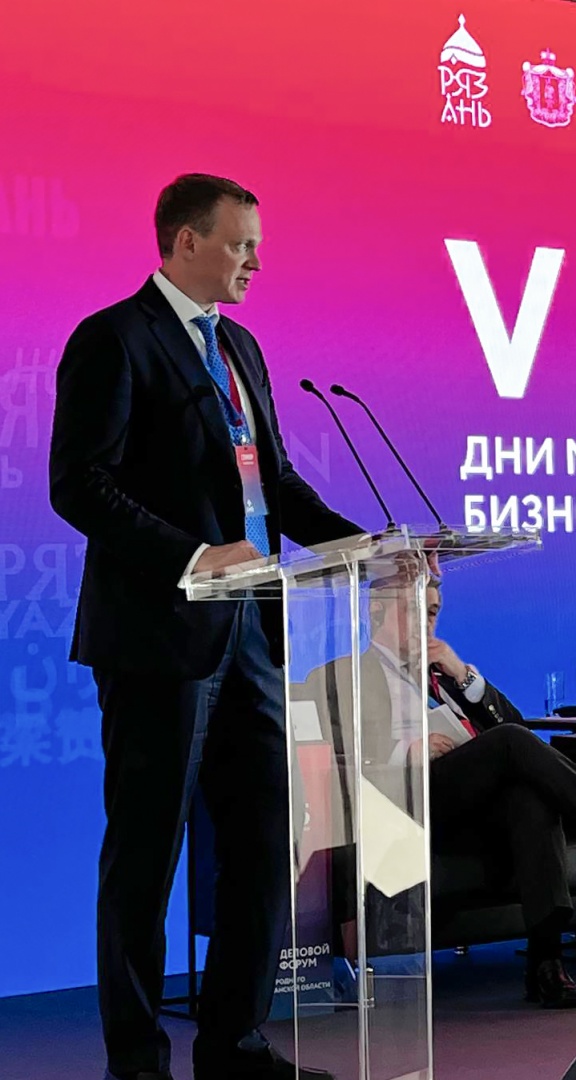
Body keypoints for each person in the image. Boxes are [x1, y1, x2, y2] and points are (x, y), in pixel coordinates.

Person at [49, 175, 363, 1080]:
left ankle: (236, 1043)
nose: (255, 261)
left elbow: (277, 486)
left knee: (263, 844)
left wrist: (367, 544)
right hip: (160, 637)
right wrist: (193, 555)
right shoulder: (115, 339)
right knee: (146, 859)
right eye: (240, 244)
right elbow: (79, 484)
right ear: (186, 242)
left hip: (253, 634)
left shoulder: (241, 349)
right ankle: (138, 1062)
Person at [336, 577, 576, 1007]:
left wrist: (465, 676)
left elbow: (517, 731)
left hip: (473, 803)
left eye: (433, 612)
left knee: (530, 798)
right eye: (413, 609)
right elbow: (335, 756)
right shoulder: (346, 674)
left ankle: (546, 962)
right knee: (511, 747)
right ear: (376, 611)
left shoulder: (444, 676)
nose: (425, 622)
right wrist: (408, 751)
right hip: (405, 802)